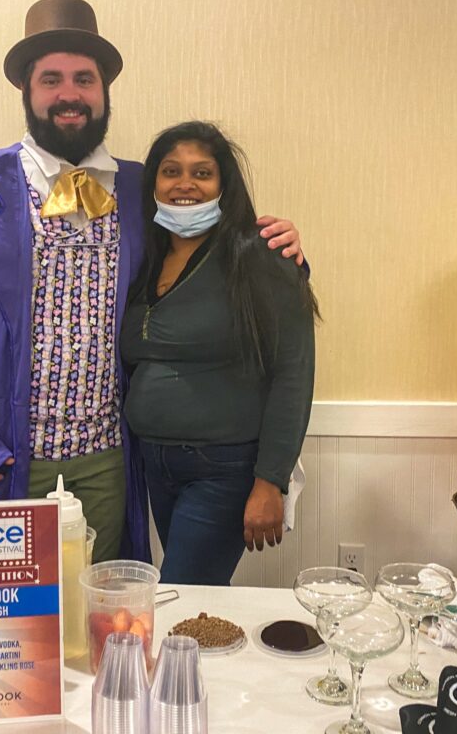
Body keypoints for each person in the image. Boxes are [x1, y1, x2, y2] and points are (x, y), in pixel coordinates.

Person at [0, 0, 303, 564]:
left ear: (104, 92)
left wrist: (283, 242)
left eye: (85, 78)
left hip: (109, 457)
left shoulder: (136, 187)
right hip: (6, 455)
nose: (69, 93)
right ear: (26, 91)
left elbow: (209, 243)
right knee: (12, 628)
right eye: (51, 79)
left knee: (103, 617)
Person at [120, 121, 318, 585]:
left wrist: (271, 480)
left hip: (224, 469)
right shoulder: (143, 259)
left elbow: (294, 373)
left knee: (181, 594)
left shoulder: (262, 255)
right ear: (154, 185)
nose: (184, 184)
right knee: (197, 598)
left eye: (202, 173)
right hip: (155, 463)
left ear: (223, 186)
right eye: (171, 171)